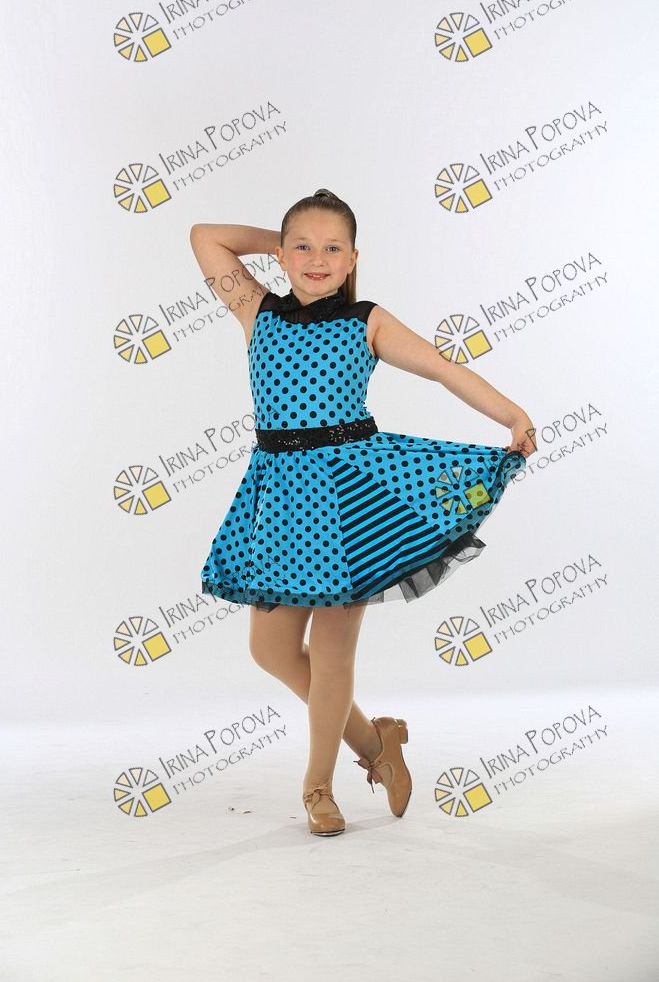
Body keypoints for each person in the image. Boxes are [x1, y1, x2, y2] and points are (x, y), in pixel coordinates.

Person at [190, 189, 536, 837]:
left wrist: (511, 414)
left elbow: (441, 368)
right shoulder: (257, 311)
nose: (316, 259)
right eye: (302, 247)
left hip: (352, 499)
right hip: (281, 500)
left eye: (332, 248)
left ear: (353, 259)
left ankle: (318, 787)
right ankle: (378, 744)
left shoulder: (365, 321)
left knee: (330, 654)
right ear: (281, 255)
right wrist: (279, 241)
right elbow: (205, 235)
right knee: (270, 649)